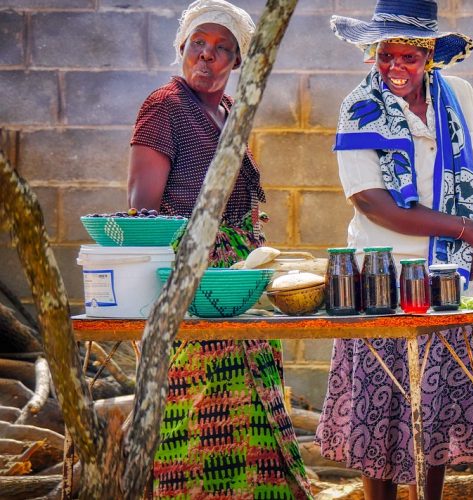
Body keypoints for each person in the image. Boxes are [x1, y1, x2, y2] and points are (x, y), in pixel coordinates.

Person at [315, 1, 473, 498]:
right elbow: (374, 203)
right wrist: (470, 230)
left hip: (450, 278)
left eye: (407, 57)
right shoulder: (359, 106)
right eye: (385, 57)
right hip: (380, 278)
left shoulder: (458, 95)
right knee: (377, 407)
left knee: (435, 403)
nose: (395, 69)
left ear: (429, 56)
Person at [126, 1, 311, 497]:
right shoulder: (166, 106)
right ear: (182, 48)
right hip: (193, 284)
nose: (206, 57)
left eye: (221, 49)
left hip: (234, 284)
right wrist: (195, 259)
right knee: (201, 413)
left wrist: (246, 229)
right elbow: (143, 207)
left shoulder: (229, 111)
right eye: (198, 46)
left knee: (251, 406)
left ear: (236, 60)